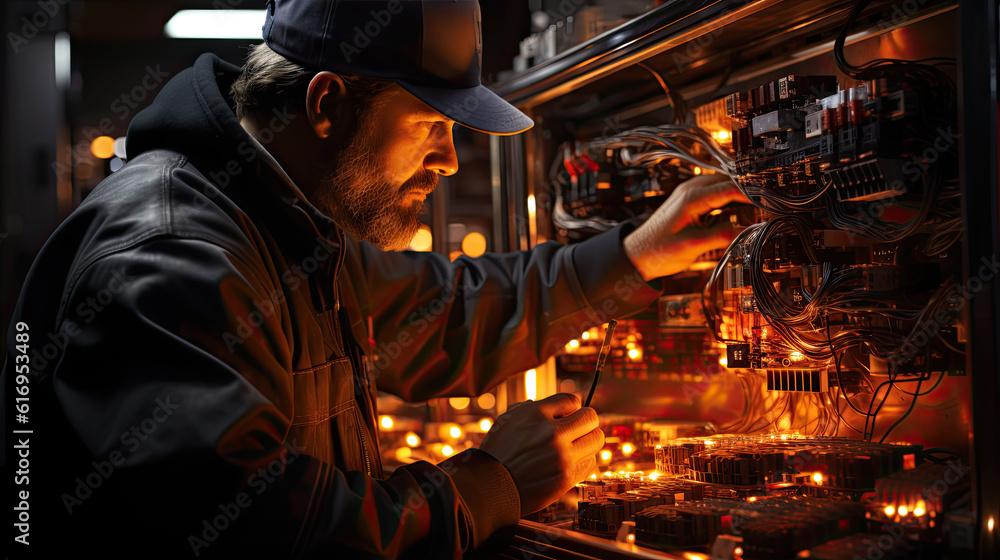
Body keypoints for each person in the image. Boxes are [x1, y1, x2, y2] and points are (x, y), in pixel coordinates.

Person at [1, 0, 745, 558]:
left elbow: (444, 313)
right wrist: (491, 482)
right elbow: (265, 535)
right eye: (430, 125)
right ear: (326, 104)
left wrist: (637, 252)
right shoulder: (170, 256)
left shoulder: (282, 221)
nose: (450, 160)